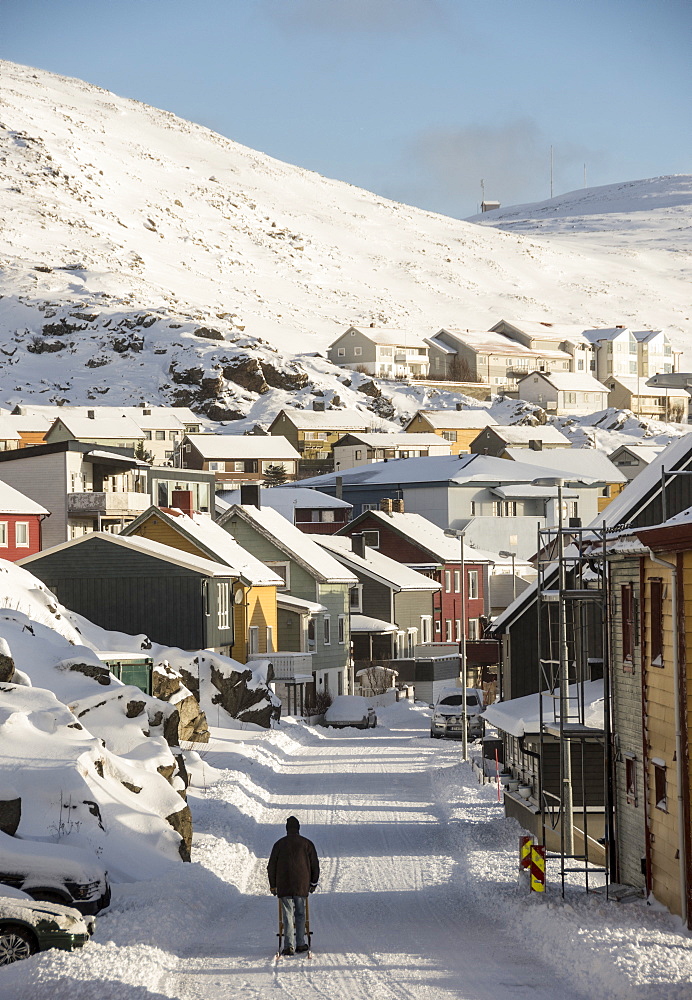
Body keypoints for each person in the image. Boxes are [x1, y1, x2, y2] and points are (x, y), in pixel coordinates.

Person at [268, 816, 319, 956]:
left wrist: (273, 885)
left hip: (283, 885)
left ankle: (288, 946)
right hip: (301, 885)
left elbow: (271, 866)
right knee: (301, 914)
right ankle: (301, 944)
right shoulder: (307, 844)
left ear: (286, 829)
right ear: (298, 828)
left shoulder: (279, 844)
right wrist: (313, 883)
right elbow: (315, 864)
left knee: (287, 915)